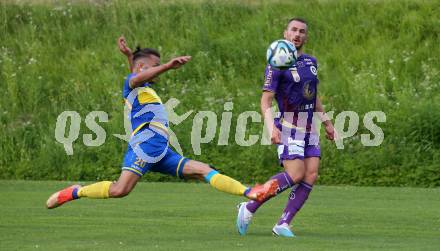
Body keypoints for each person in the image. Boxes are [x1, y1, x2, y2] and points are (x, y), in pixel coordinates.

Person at [46, 37, 278, 210]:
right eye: (154, 65)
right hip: (145, 146)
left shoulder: (142, 87)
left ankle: (250, 192)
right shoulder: (133, 83)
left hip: (161, 150)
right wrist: (167, 65)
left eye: (159, 66)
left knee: (203, 170)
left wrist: (129, 56)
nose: (158, 71)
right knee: (120, 190)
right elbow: (136, 76)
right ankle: (76, 191)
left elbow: (139, 74)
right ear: (142, 68)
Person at [236, 18, 337, 237]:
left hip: (310, 128)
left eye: (302, 31)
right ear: (285, 33)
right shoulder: (277, 63)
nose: (297, 34)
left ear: (305, 37)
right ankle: (250, 206)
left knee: (310, 175)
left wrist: (328, 123)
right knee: (295, 174)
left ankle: (283, 223)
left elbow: (314, 95)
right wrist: (272, 128)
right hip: (289, 126)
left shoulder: (311, 61)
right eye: (294, 30)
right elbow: (266, 101)